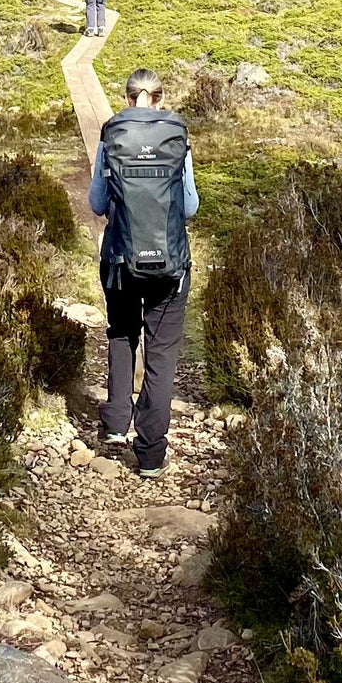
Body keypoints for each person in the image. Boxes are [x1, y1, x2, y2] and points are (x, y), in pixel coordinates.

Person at [89, 67, 197, 476]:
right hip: (170, 266)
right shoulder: (176, 136)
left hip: (119, 259)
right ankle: (151, 453)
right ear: (161, 98)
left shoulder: (112, 133)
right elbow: (189, 208)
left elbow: (98, 203)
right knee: (162, 354)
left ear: (127, 98)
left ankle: (116, 424)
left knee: (121, 333)